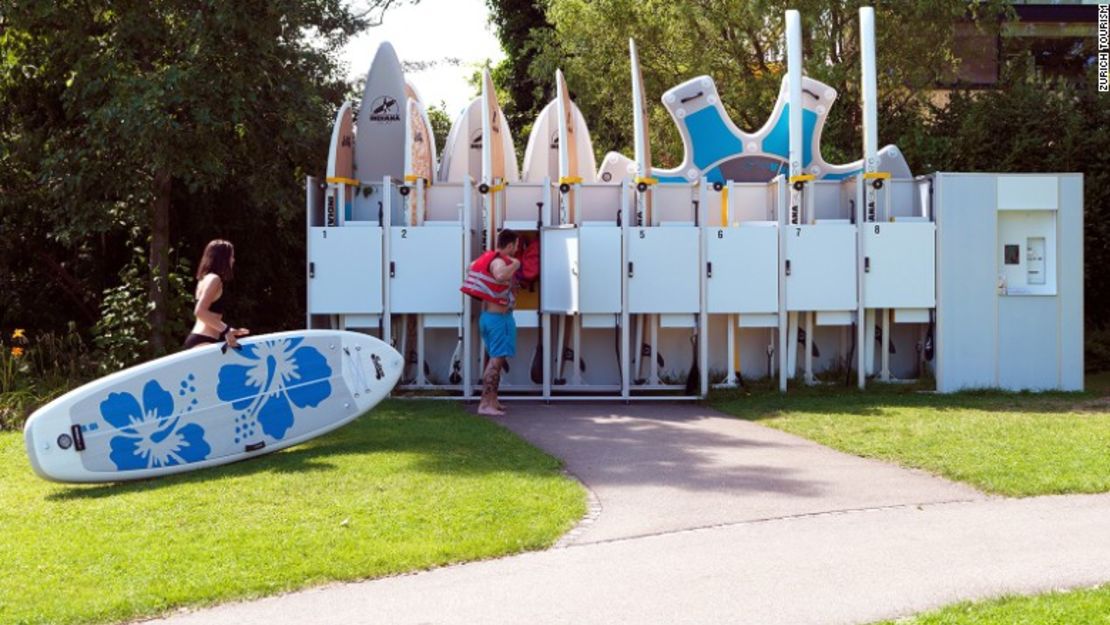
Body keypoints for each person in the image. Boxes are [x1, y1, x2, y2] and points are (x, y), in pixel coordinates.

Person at [462, 229, 520, 416]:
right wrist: (516, 265)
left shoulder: (486, 258)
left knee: (497, 359)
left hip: (490, 318)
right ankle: (485, 405)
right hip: (497, 320)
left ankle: (493, 401)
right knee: (495, 362)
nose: (517, 250)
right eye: (516, 246)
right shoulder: (498, 261)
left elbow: (470, 267)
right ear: (510, 245)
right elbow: (501, 276)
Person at [184, 239, 250, 349]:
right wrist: (226, 330)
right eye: (231, 256)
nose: (233, 260)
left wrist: (229, 330)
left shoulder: (205, 279)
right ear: (222, 258)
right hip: (204, 341)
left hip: (201, 339)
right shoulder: (215, 279)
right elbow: (200, 311)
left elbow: (209, 315)